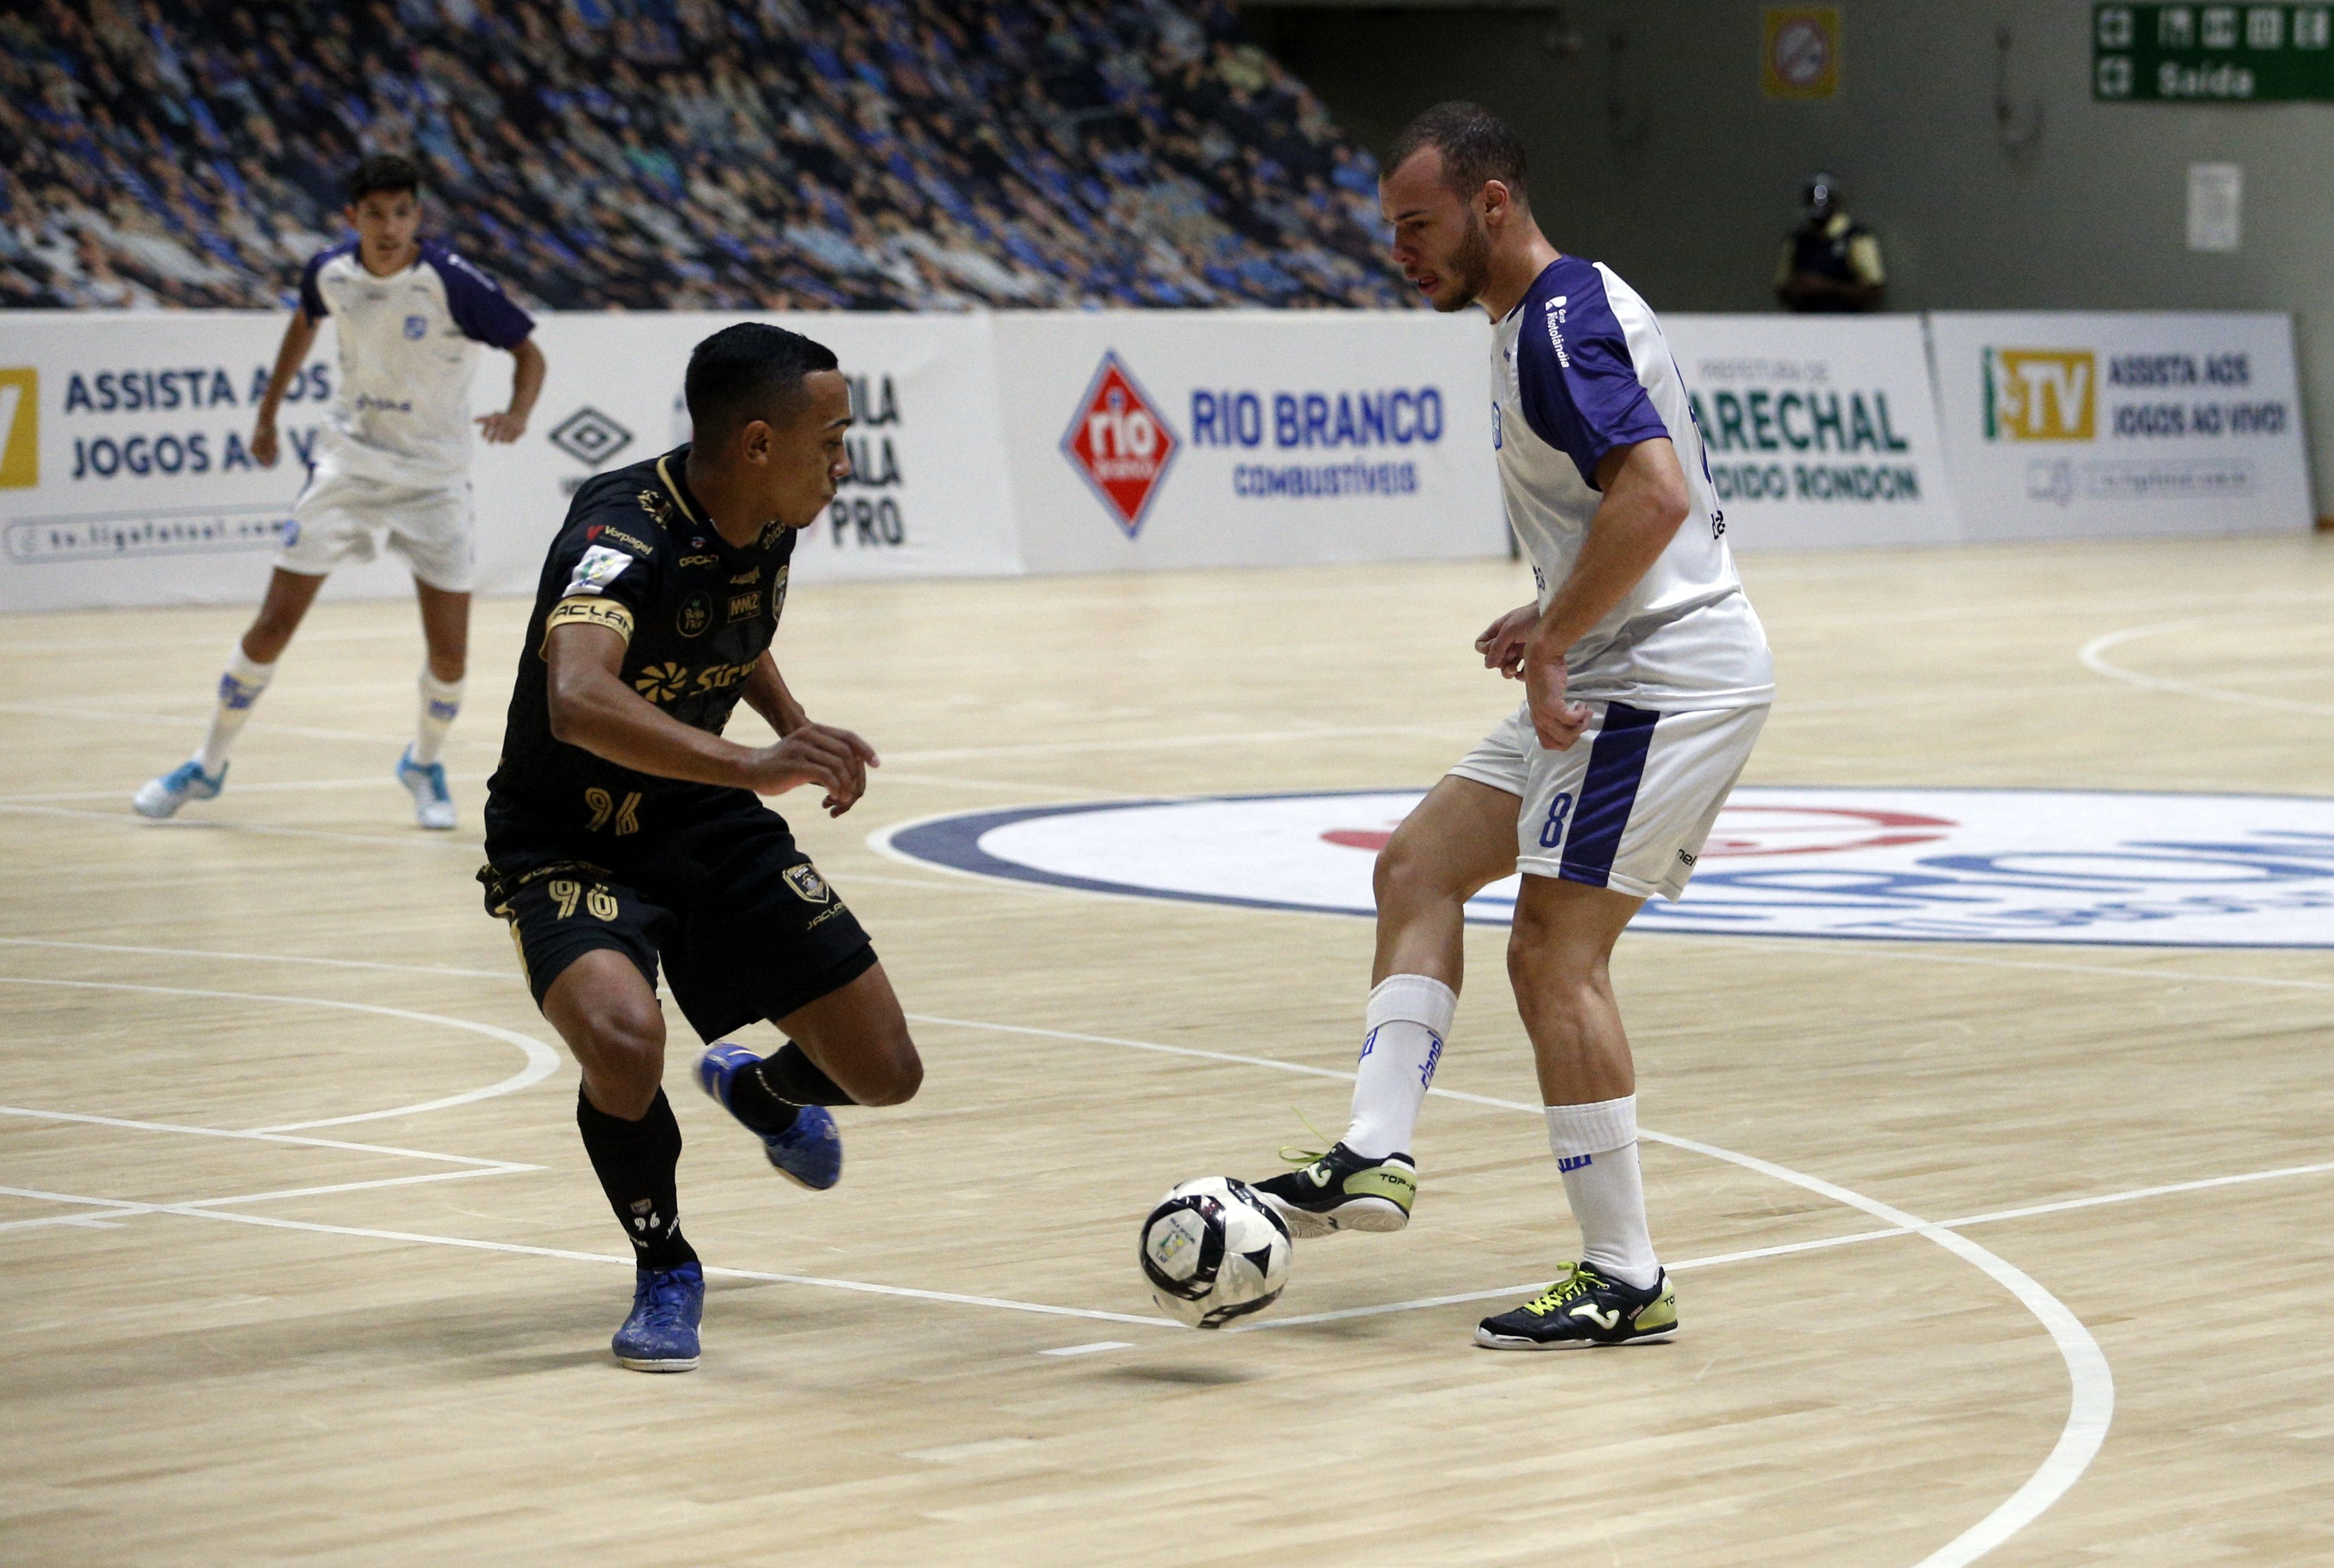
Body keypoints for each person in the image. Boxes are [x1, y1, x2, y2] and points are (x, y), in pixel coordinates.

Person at [1251, 102, 1773, 1350]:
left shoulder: (1550, 327)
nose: (1397, 250)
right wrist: (1552, 607)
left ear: (1492, 206)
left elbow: (1652, 497)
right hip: (1611, 653)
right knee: (1418, 866)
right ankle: (1373, 1153)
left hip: (1663, 677)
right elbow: (1632, 512)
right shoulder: (1535, 319)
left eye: (1415, 225)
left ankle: (1624, 1273)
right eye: (1390, 229)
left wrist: (1553, 639)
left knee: (1552, 952)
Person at [476, 322, 922, 1373]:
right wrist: (753, 766)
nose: (846, 461)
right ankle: (666, 1261)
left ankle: (759, 1092)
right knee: (625, 1039)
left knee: (885, 1070)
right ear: (758, 440)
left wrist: (791, 725)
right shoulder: (621, 530)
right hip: (567, 834)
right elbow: (578, 697)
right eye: (833, 438)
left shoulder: (770, 511)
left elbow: (733, 624)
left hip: (697, 815)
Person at [132, 153, 546, 829]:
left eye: (403, 213)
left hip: (433, 482)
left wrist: (519, 411)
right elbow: (304, 320)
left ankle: (423, 762)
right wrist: (267, 413)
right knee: (273, 624)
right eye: (376, 214)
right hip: (347, 467)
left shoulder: (451, 282)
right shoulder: (329, 271)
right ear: (352, 217)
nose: (391, 227)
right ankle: (206, 764)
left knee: (450, 652)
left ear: (418, 216)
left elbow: (529, 351)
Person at [1774, 171, 1885, 313]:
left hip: (1846, 322)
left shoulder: (1856, 238)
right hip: (1805, 322)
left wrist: (1823, 287)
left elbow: (1875, 291)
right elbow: (1782, 288)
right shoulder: (1797, 241)